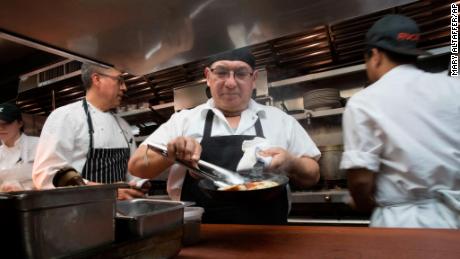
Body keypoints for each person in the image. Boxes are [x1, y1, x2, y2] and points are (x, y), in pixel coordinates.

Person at [128, 48, 320, 224]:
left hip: (270, 235)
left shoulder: (279, 120)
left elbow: (313, 175)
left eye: (241, 73)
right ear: (208, 76)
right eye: (221, 73)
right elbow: (137, 166)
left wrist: (292, 162)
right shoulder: (184, 120)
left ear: (254, 78)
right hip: (202, 236)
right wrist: (171, 153)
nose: (230, 83)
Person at [340, 14, 460, 228]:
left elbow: (360, 179)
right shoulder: (453, 87)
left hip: (402, 225)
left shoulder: (365, 101)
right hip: (454, 217)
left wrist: (363, 203)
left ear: (375, 56)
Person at [32, 63, 146, 199]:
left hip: (121, 212)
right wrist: (106, 192)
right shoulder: (65, 117)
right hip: (80, 212)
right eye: (119, 80)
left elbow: (131, 173)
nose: (124, 87)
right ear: (97, 79)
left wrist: (139, 184)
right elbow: (48, 175)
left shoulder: (123, 125)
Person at [0, 102, 39, 192]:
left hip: (35, 202)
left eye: (6, 123)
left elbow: (50, 179)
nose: (1, 128)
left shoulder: (38, 145)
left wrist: (25, 189)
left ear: (20, 123)